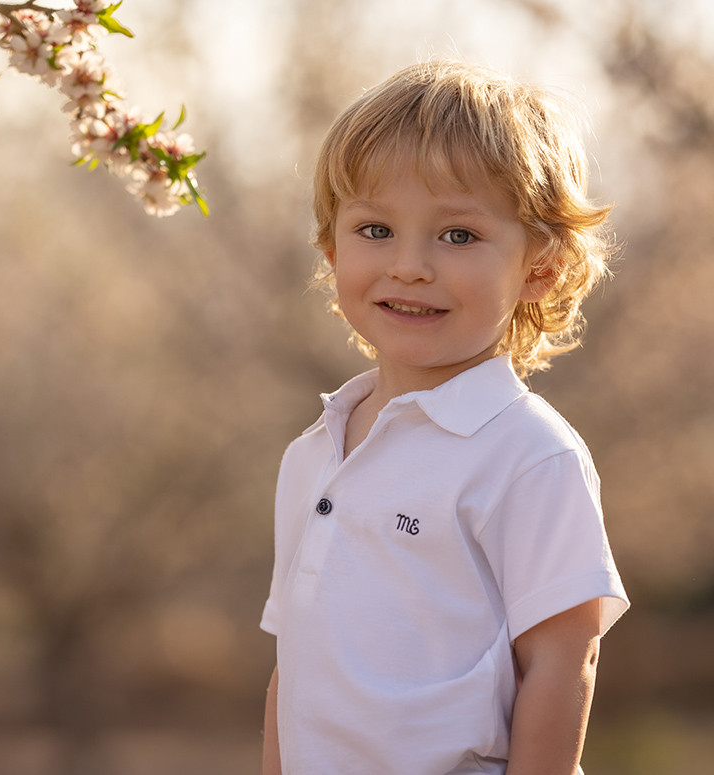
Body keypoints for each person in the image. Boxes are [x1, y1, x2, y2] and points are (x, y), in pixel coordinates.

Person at [260, 59, 629, 775]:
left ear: (539, 269)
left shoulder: (528, 453)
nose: (409, 265)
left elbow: (563, 662)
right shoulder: (312, 452)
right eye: (375, 229)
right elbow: (294, 666)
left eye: (457, 236)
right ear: (332, 247)